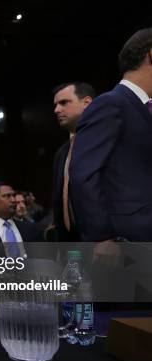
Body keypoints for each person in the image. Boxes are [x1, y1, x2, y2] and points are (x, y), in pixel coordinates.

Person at [71, 28, 152, 248]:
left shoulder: (143, 107)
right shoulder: (111, 103)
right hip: (128, 242)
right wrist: (102, 236)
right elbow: (83, 174)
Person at [51, 82, 96, 241]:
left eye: (64, 103)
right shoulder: (61, 153)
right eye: (56, 105)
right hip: (70, 243)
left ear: (87, 103)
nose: (57, 110)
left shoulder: (105, 143)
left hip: (105, 242)